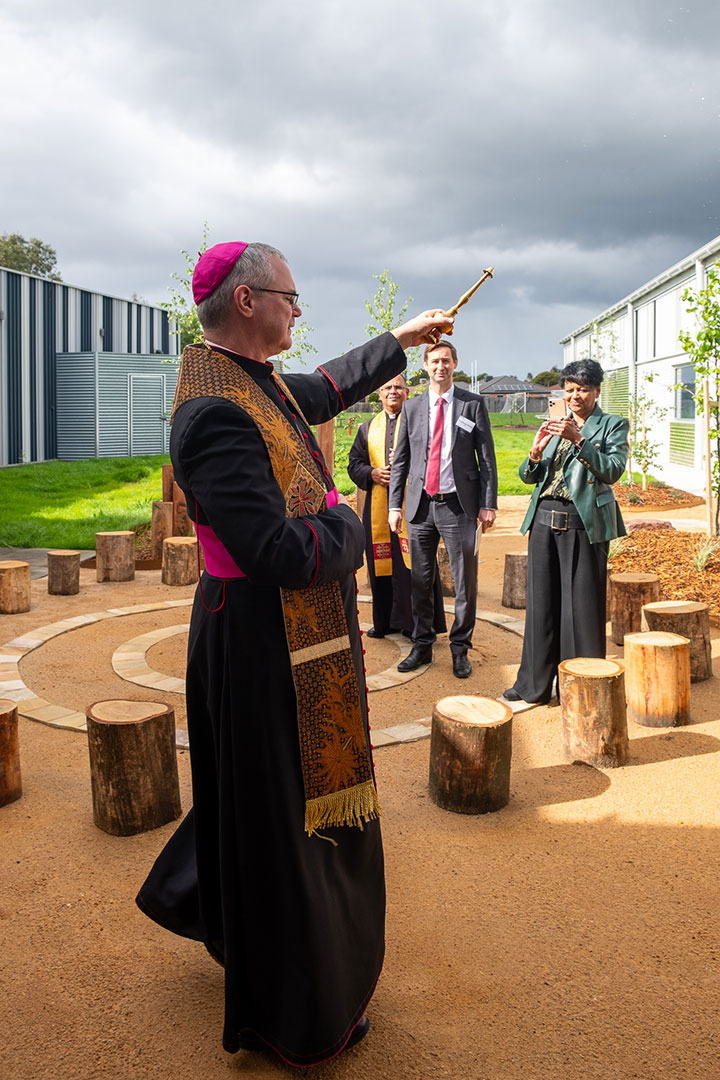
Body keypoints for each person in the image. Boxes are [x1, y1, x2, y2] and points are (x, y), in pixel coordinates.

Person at [135, 241, 452, 1067]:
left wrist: (405, 338)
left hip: (279, 632)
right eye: (291, 297)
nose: (298, 312)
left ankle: (221, 912)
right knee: (283, 816)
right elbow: (275, 550)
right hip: (257, 639)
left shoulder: (247, 378)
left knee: (265, 801)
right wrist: (350, 522)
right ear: (247, 302)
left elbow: (322, 388)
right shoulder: (211, 412)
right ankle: (290, 1007)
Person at [503, 358, 629, 706]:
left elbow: (613, 470)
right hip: (544, 520)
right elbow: (530, 477)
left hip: (584, 524)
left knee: (582, 610)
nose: (575, 397)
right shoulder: (556, 422)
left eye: (583, 390)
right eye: (570, 390)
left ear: (597, 391)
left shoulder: (612, 425)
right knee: (541, 608)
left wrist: (579, 440)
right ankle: (534, 685)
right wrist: (534, 454)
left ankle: (582, 686)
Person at [388, 340, 498, 679]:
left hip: (458, 506)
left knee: (465, 582)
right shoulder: (412, 407)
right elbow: (401, 459)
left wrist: (488, 504)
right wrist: (394, 505)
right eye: (435, 361)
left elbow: (487, 459)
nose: (441, 366)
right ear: (425, 364)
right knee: (420, 580)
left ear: (455, 363)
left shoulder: (472, 404)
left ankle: (460, 647)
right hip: (420, 507)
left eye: (447, 361)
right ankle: (422, 644)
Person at [347, 374, 447, 639]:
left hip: (415, 508)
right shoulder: (367, 429)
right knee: (382, 564)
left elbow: (438, 459)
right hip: (378, 510)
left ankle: (417, 625)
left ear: (407, 392)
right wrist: (372, 473)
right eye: (387, 387)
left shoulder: (420, 425)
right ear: (379, 394)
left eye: (398, 387)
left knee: (415, 565)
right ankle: (385, 622)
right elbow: (353, 463)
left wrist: (411, 461)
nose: (393, 391)